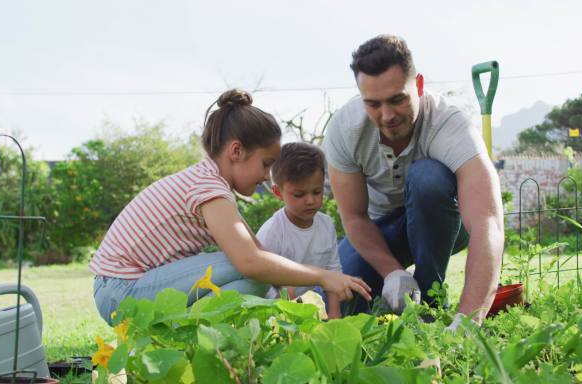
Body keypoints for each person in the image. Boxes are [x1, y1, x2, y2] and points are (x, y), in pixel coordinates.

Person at [89, 89, 371, 325]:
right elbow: (250, 260)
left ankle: (185, 338)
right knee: (249, 268)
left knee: (255, 284)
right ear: (236, 151)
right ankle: (184, 333)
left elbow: (259, 252)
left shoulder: (212, 183)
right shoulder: (207, 187)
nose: (266, 176)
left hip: (130, 288)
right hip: (119, 290)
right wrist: (323, 276)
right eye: (266, 164)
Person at [322, 35, 504, 326]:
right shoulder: (345, 130)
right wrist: (392, 272)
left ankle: (431, 303)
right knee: (342, 297)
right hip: (380, 230)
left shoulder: (450, 125)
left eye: (397, 99)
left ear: (418, 85)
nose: (387, 115)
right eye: (373, 104)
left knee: (427, 177)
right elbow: (354, 218)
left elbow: (487, 222)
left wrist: (471, 316)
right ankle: (402, 294)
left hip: (445, 222)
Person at [256, 142, 343, 319]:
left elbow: (333, 273)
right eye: (299, 195)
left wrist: (335, 313)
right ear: (278, 192)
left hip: (306, 309)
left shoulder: (326, 225)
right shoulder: (272, 231)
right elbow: (258, 281)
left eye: (317, 191)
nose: (310, 200)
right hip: (270, 310)